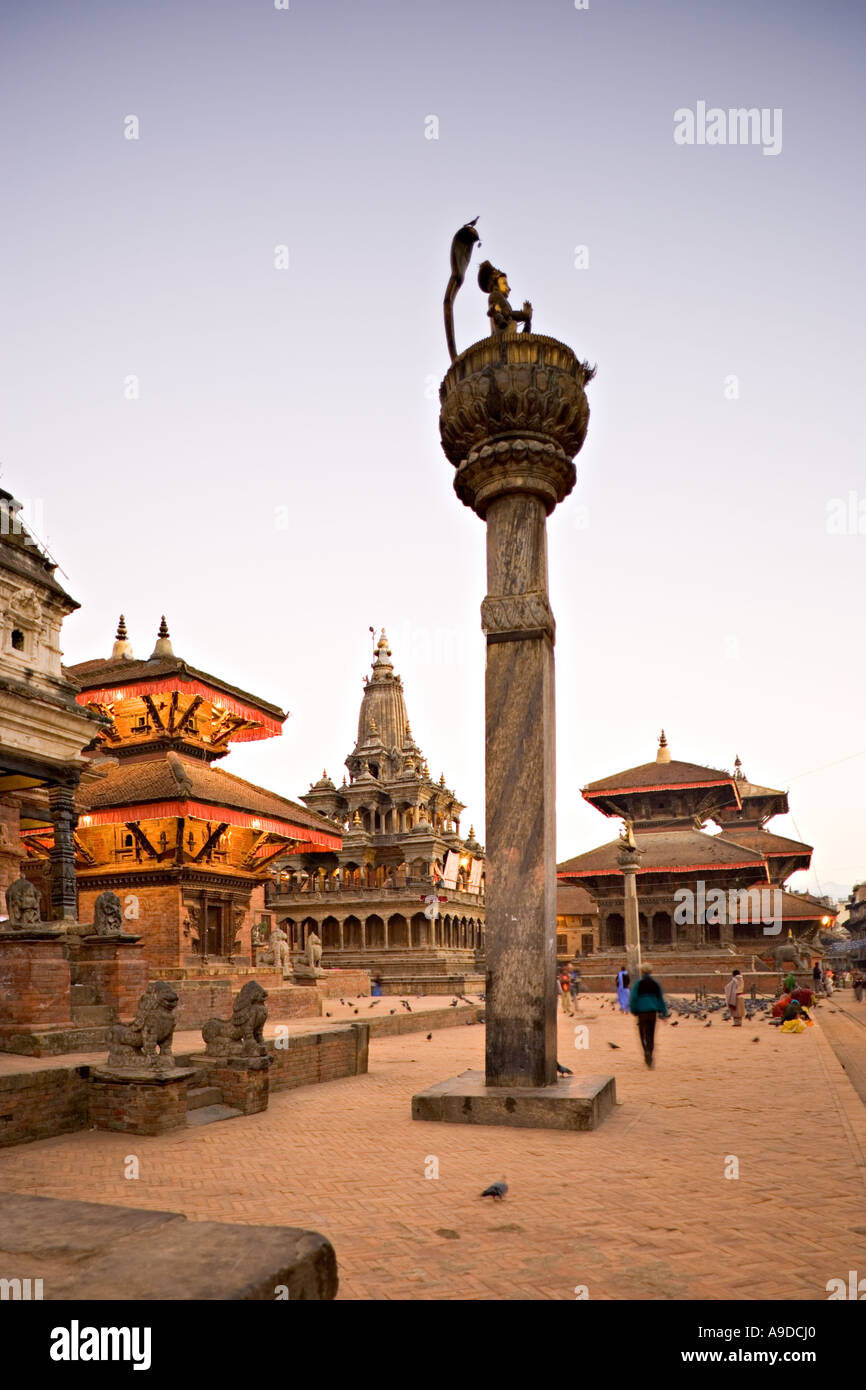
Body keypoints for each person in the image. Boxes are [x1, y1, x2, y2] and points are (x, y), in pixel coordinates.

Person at [629, 964, 669, 1068]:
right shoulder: (655, 984)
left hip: (642, 1013)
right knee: (651, 1035)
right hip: (652, 1013)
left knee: (643, 1035)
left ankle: (646, 1051)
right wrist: (664, 1012)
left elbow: (633, 998)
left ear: (642, 972)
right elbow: (660, 999)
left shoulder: (638, 984)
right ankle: (650, 1053)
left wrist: (634, 1011)